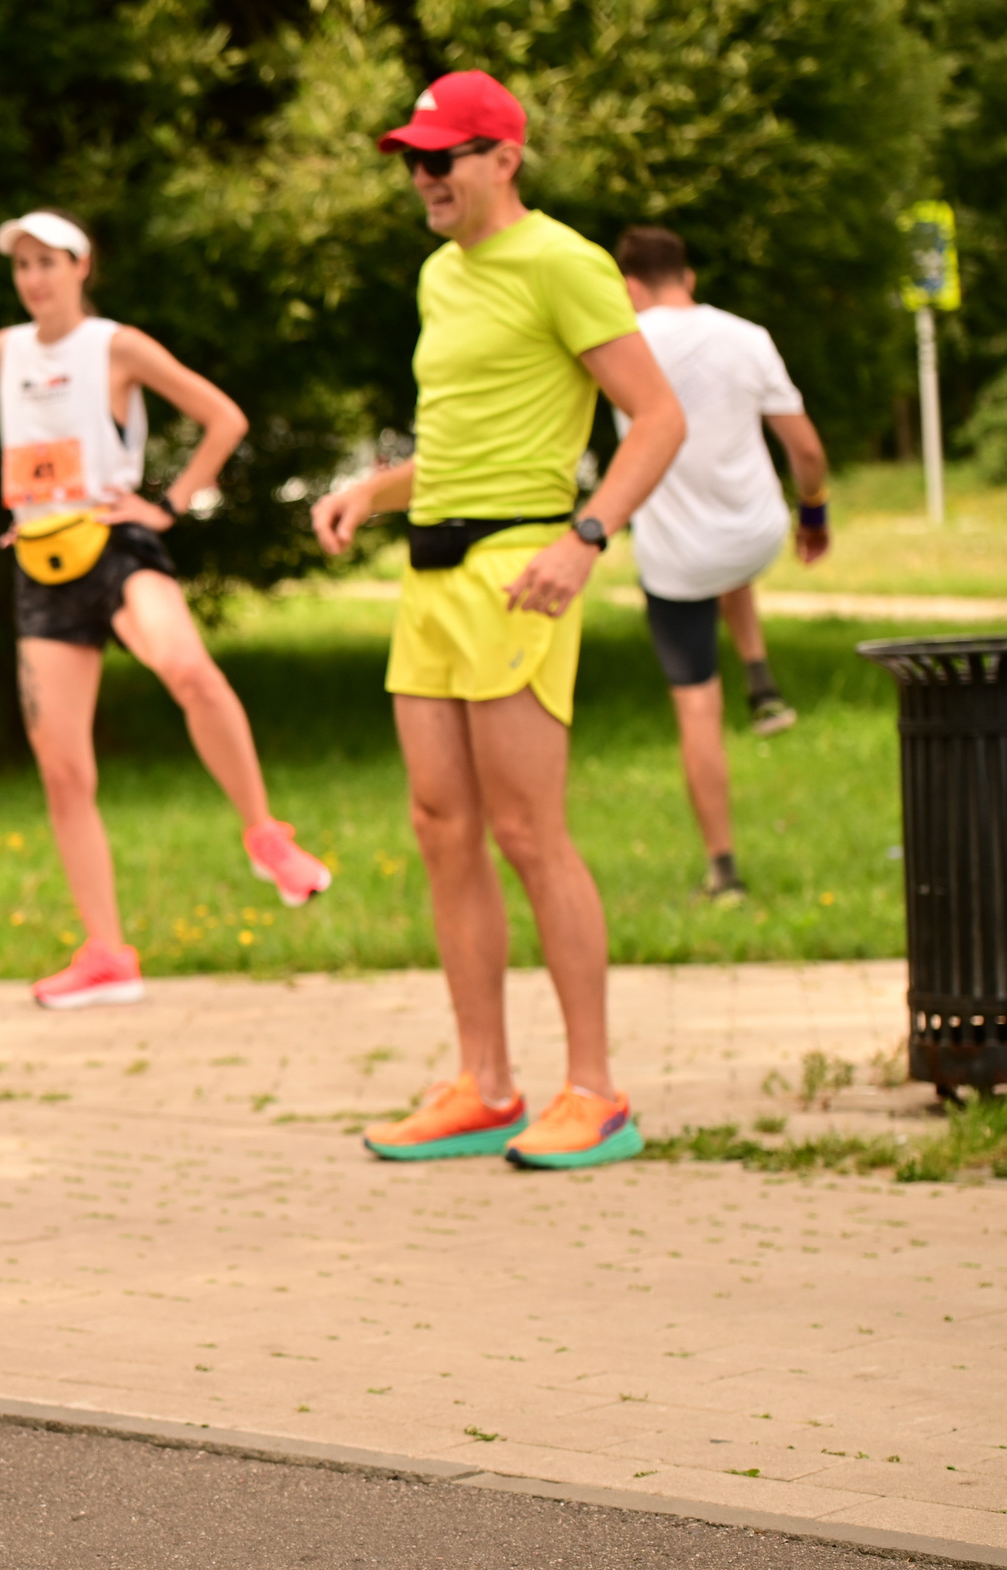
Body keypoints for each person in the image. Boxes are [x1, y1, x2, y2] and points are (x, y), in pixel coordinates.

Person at [311, 71, 686, 1170]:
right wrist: (371, 492)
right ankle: (484, 1084)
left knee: (528, 832)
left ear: (501, 159)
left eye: (441, 159)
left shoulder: (565, 263)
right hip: (429, 575)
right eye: (411, 161)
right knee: (441, 827)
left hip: (520, 574)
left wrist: (586, 536)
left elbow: (657, 420)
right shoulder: (440, 276)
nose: (422, 178)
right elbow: (464, 445)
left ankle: (596, 1092)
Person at [0, 208, 333, 1012]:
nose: (35, 277)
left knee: (189, 669)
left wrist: (168, 503)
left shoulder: (117, 345)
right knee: (64, 772)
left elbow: (225, 418)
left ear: (83, 266)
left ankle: (264, 834)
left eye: (49, 261)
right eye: (23, 264)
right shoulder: (5, 350)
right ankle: (107, 953)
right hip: (41, 562)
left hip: (116, 547)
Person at [614, 225, 831, 903]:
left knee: (697, 709)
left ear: (628, 287)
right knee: (729, 546)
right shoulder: (749, 336)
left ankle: (724, 870)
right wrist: (815, 515)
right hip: (757, 534)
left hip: (678, 559)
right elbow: (809, 455)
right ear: (689, 277)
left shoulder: (620, 348)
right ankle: (762, 679)